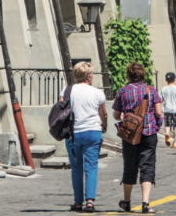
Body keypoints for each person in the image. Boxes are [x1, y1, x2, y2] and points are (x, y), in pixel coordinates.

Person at [112, 63, 163, 214]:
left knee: (130, 165)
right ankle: (145, 203)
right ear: (143, 75)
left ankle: (126, 201)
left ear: (128, 75)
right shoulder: (151, 90)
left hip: (130, 133)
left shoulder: (123, 91)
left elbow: (116, 115)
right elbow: (159, 112)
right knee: (147, 165)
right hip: (149, 132)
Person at [66, 61, 107, 213]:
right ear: (89, 77)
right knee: (91, 167)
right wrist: (104, 125)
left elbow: (62, 109)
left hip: (73, 133)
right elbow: (103, 113)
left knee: (76, 168)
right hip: (92, 132)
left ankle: (77, 202)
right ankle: (89, 201)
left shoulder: (68, 90)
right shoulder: (97, 93)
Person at [159, 73, 176, 149]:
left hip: (167, 109)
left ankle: (167, 133)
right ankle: (174, 142)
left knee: (167, 124)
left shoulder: (163, 89)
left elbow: (160, 99)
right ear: (175, 79)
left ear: (166, 80)